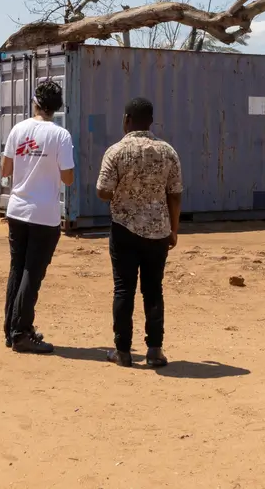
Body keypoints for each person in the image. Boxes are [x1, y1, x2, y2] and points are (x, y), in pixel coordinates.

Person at [96, 97, 183, 369]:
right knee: (153, 290)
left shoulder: (116, 152)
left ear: (127, 120)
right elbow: (176, 195)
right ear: (151, 121)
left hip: (124, 230)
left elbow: (102, 191)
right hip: (158, 231)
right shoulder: (167, 152)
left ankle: (122, 351)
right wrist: (173, 229)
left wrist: (123, 189)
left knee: (124, 289)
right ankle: (155, 351)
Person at [0, 80, 74, 354]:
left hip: (17, 211)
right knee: (33, 273)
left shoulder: (18, 129)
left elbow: (5, 170)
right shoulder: (61, 135)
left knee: (18, 269)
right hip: (44, 214)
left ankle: (14, 329)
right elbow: (68, 177)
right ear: (57, 107)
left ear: (35, 102)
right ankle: (20, 332)